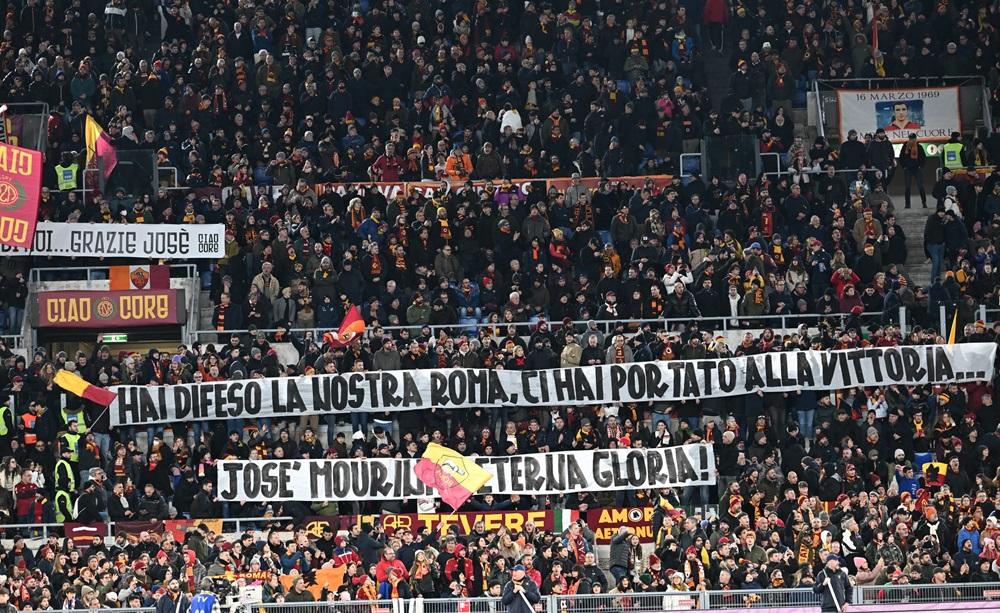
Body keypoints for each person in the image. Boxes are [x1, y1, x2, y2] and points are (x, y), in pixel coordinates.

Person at [898, 133, 927, 208]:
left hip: (917, 168)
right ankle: (907, 205)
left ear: (915, 138)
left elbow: (923, 157)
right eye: (910, 138)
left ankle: (924, 203)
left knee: (920, 186)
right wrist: (904, 166)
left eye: (913, 138)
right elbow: (901, 157)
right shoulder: (905, 147)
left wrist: (921, 166)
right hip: (908, 169)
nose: (912, 140)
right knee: (907, 187)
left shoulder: (919, 147)